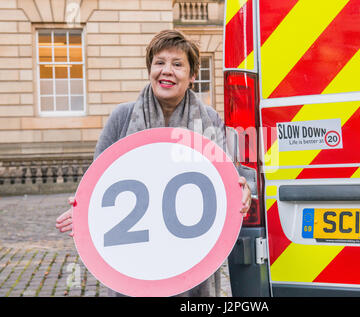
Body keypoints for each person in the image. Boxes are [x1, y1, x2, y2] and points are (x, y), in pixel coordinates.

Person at [55, 29, 252, 297]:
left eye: (177, 64)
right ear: (150, 69)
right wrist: (86, 213)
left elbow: (231, 178)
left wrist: (242, 191)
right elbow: (100, 183)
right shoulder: (121, 117)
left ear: (193, 75)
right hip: (133, 258)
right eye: (159, 62)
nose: (166, 71)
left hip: (191, 254)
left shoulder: (210, 121)